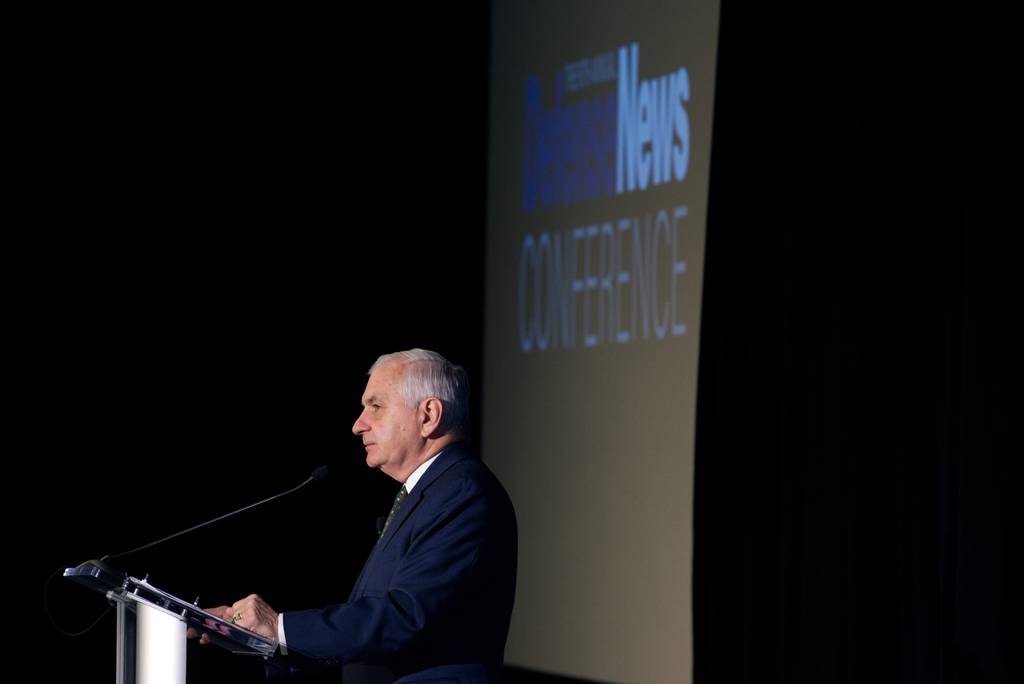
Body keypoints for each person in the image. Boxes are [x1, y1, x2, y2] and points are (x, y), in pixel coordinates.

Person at [193, 349, 518, 684]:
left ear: (428, 415)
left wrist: (278, 627)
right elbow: (369, 637)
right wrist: (256, 637)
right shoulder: (428, 492)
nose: (357, 425)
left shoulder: (462, 492)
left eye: (375, 406)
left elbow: (404, 617)